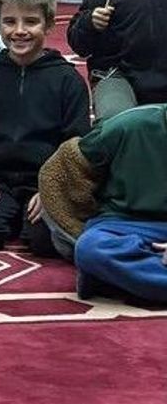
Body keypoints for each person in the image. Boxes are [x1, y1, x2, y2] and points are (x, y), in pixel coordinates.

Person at [0, 0, 91, 255]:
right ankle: (9, 219)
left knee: (47, 241)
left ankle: (29, 225)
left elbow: (75, 144)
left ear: (49, 25)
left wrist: (53, 189)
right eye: (9, 22)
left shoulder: (68, 81)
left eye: (30, 22)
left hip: (44, 183)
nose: (19, 31)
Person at [72, 104, 167, 305]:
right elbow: (69, 167)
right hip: (125, 223)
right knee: (90, 248)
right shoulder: (128, 125)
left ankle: (118, 281)